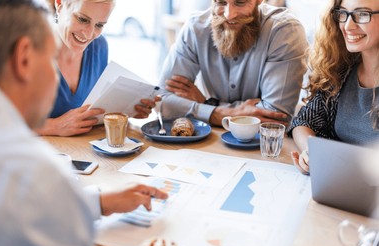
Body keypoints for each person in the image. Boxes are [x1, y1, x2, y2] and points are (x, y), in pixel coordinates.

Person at [0, 0, 167, 246]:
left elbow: (20, 206)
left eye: (99, 25)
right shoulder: (34, 173)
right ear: (24, 57)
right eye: (51, 63)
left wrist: (99, 202)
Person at [158, 0, 308, 126]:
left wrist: (208, 104)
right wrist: (223, 113)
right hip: (208, 142)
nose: (229, 14)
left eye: (240, 2)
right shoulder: (195, 28)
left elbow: (274, 118)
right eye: (221, 2)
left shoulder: (284, 31)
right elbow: (162, 101)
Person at [36, 0, 157, 137]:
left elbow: (93, 109)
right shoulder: (27, 49)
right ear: (59, 4)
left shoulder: (99, 47)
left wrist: (126, 109)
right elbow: (6, 126)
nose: (89, 34)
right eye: (82, 19)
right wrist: (53, 126)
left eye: (99, 25)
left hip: (82, 152)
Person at [289, 0, 379, 174]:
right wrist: (311, 153)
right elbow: (304, 121)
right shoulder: (341, 70)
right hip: (340, 185)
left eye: (362, 14)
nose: (348, 25)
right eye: (343, 13)